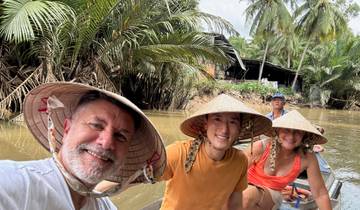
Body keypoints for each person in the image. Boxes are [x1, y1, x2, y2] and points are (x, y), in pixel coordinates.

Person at [0, 82, 166, 210]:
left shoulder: (105, 207)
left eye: (120, 136)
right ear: (67, 129)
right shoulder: (14, 183)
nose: (107, 142)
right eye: (96, 125)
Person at [160, 94, 272, 210]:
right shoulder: (179, 153)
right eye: (217, 119)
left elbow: (235, 205)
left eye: (233, 122)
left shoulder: (240, 160)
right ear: (205, 124)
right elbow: (147, 174)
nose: (224, 130)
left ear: (240, 129)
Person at [242, 110, 332, 210]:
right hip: (244, 189)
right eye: (286, 130)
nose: (291, 136)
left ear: (304, 135)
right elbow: (233, 172)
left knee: (247, 195)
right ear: (277, 131)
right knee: (244, 196)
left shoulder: (307, 157)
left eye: (297, 132)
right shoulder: (260, 147)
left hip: (271, 197)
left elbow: (320, 193)